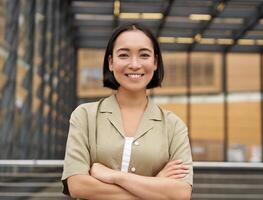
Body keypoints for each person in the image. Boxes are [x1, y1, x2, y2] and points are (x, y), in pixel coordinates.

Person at [61, 23, 193, 200]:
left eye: (144, 55)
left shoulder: (174, 126)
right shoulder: (85, 116)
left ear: (155, 62)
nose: (135, 64)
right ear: (111, 62)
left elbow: (181, 193)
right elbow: (78, 185)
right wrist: (156, 184)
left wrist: (116, 176)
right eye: (124, 55)